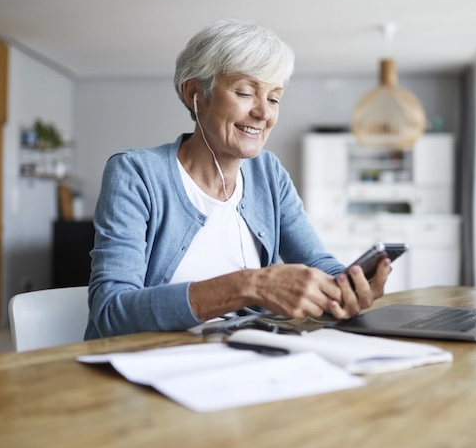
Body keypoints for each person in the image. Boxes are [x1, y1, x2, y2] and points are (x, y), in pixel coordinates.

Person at [84, 18, 393, 339]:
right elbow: (111, 311)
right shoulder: (136, 173)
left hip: (243, 360)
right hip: (145, 365)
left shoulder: (268, 173)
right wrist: (249, 285)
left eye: (274, 98)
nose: (264, 113)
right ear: (195, 94)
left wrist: (349, 285)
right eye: (246, 92)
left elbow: (317, 261)